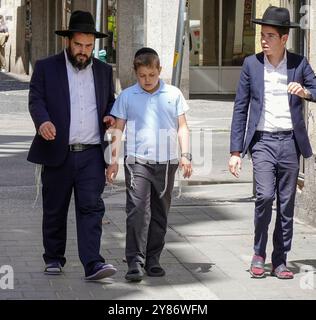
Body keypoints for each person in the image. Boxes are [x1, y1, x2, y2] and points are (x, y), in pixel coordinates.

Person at [27, 11, 117, 281]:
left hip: (91, 153)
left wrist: (111, 115)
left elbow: (109, 102)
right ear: (68, 42)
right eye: (79, 45)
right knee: (54, 208)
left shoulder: (104, 71)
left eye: (89, 46)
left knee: (92, 208)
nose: (83, 51)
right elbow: (36, 99)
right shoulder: (47, 67)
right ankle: (54, 258)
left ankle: (93, 264)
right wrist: (42, 122)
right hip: (58, 152)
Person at [229, 6, 316, 280]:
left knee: (287, 204)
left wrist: (305, 92)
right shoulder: (251, 65)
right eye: (261, 35)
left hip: (290, 142)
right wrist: (235, 151)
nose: (263, 40)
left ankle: (280, 260)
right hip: (263, 142)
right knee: (265, 197)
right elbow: (240, 108)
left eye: (269, 35)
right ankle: (258, 253)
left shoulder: (299, 64)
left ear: (283, 38)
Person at [106, 47, 192, 281]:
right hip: (137, 161)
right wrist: (112, 160)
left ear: (159, 70)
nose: (147, 80)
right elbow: (118, 130)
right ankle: (135, 262)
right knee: (137, 211)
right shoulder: (127, 96)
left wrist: (186, 155)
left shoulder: (173, 95)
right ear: (136, 73)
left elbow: (182, 126)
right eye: (142, 75)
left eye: (151, 75)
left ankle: (153, 259)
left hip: (166, 163)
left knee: (159, 213)